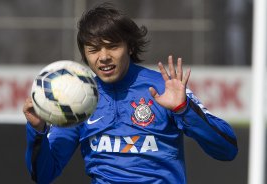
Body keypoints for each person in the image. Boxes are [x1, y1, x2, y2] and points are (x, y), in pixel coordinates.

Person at [23, 3, 238, 184]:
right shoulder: (79, 99)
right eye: (94, 49)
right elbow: (43, 175)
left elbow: (227, 149)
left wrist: (184, 110)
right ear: (85, 55)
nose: (104, 57)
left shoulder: (163, 88)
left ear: (130, 48)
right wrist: (38, 130)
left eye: (112, 46)